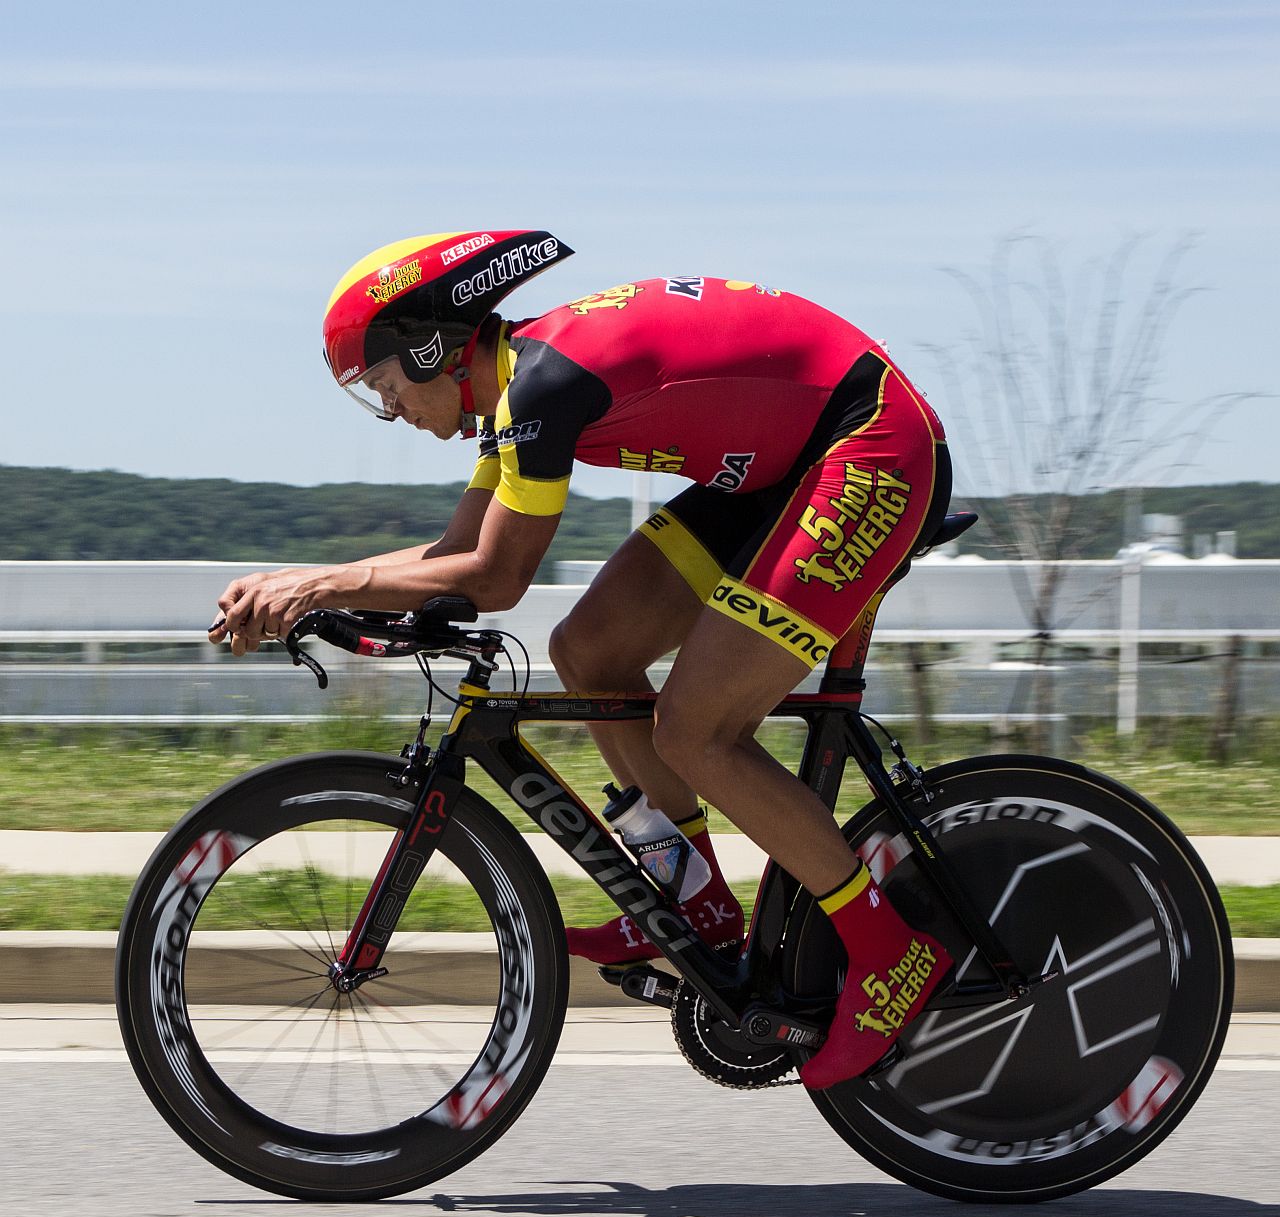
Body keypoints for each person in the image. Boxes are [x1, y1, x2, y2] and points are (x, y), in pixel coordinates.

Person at [209, 228, 952, 1089]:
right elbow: (458, 547)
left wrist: (324, 585)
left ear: (429, 347)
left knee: (696, 731)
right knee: (591, 650)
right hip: (781, 470)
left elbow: (495, 576)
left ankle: (888, 947)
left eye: (384, 387)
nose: (393, 411)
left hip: (868, 445)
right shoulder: (511, 392)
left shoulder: (540, 388)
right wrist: (312, 585)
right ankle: (694, 904)